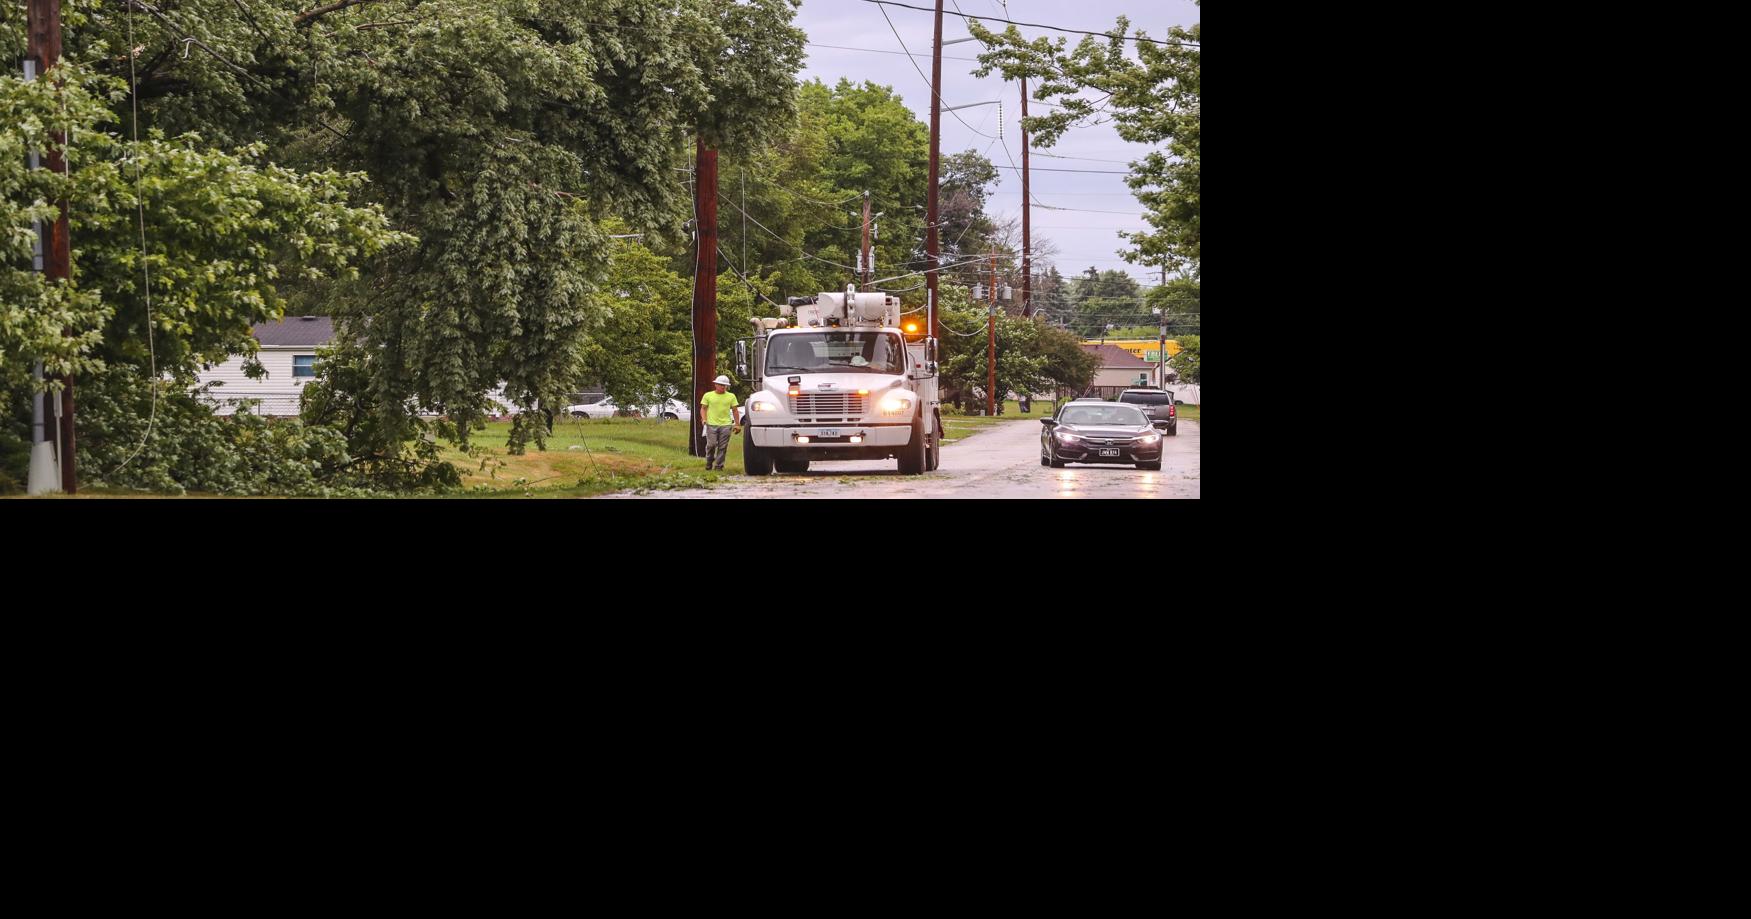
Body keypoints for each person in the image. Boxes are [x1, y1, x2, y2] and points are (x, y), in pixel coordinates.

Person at [699, 375, 741, 470]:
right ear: (716, 385)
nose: (723, 387)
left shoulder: (731, 396)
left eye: (725, 385)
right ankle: (709, 461)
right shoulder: (708, 395)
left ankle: (719, 466)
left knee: (722, 447)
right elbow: (703, 408)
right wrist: (704, 419)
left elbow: (735, 410)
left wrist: (737, 424)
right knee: (711, 445)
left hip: (726, 425)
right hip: (711, 424)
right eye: (721, 385)